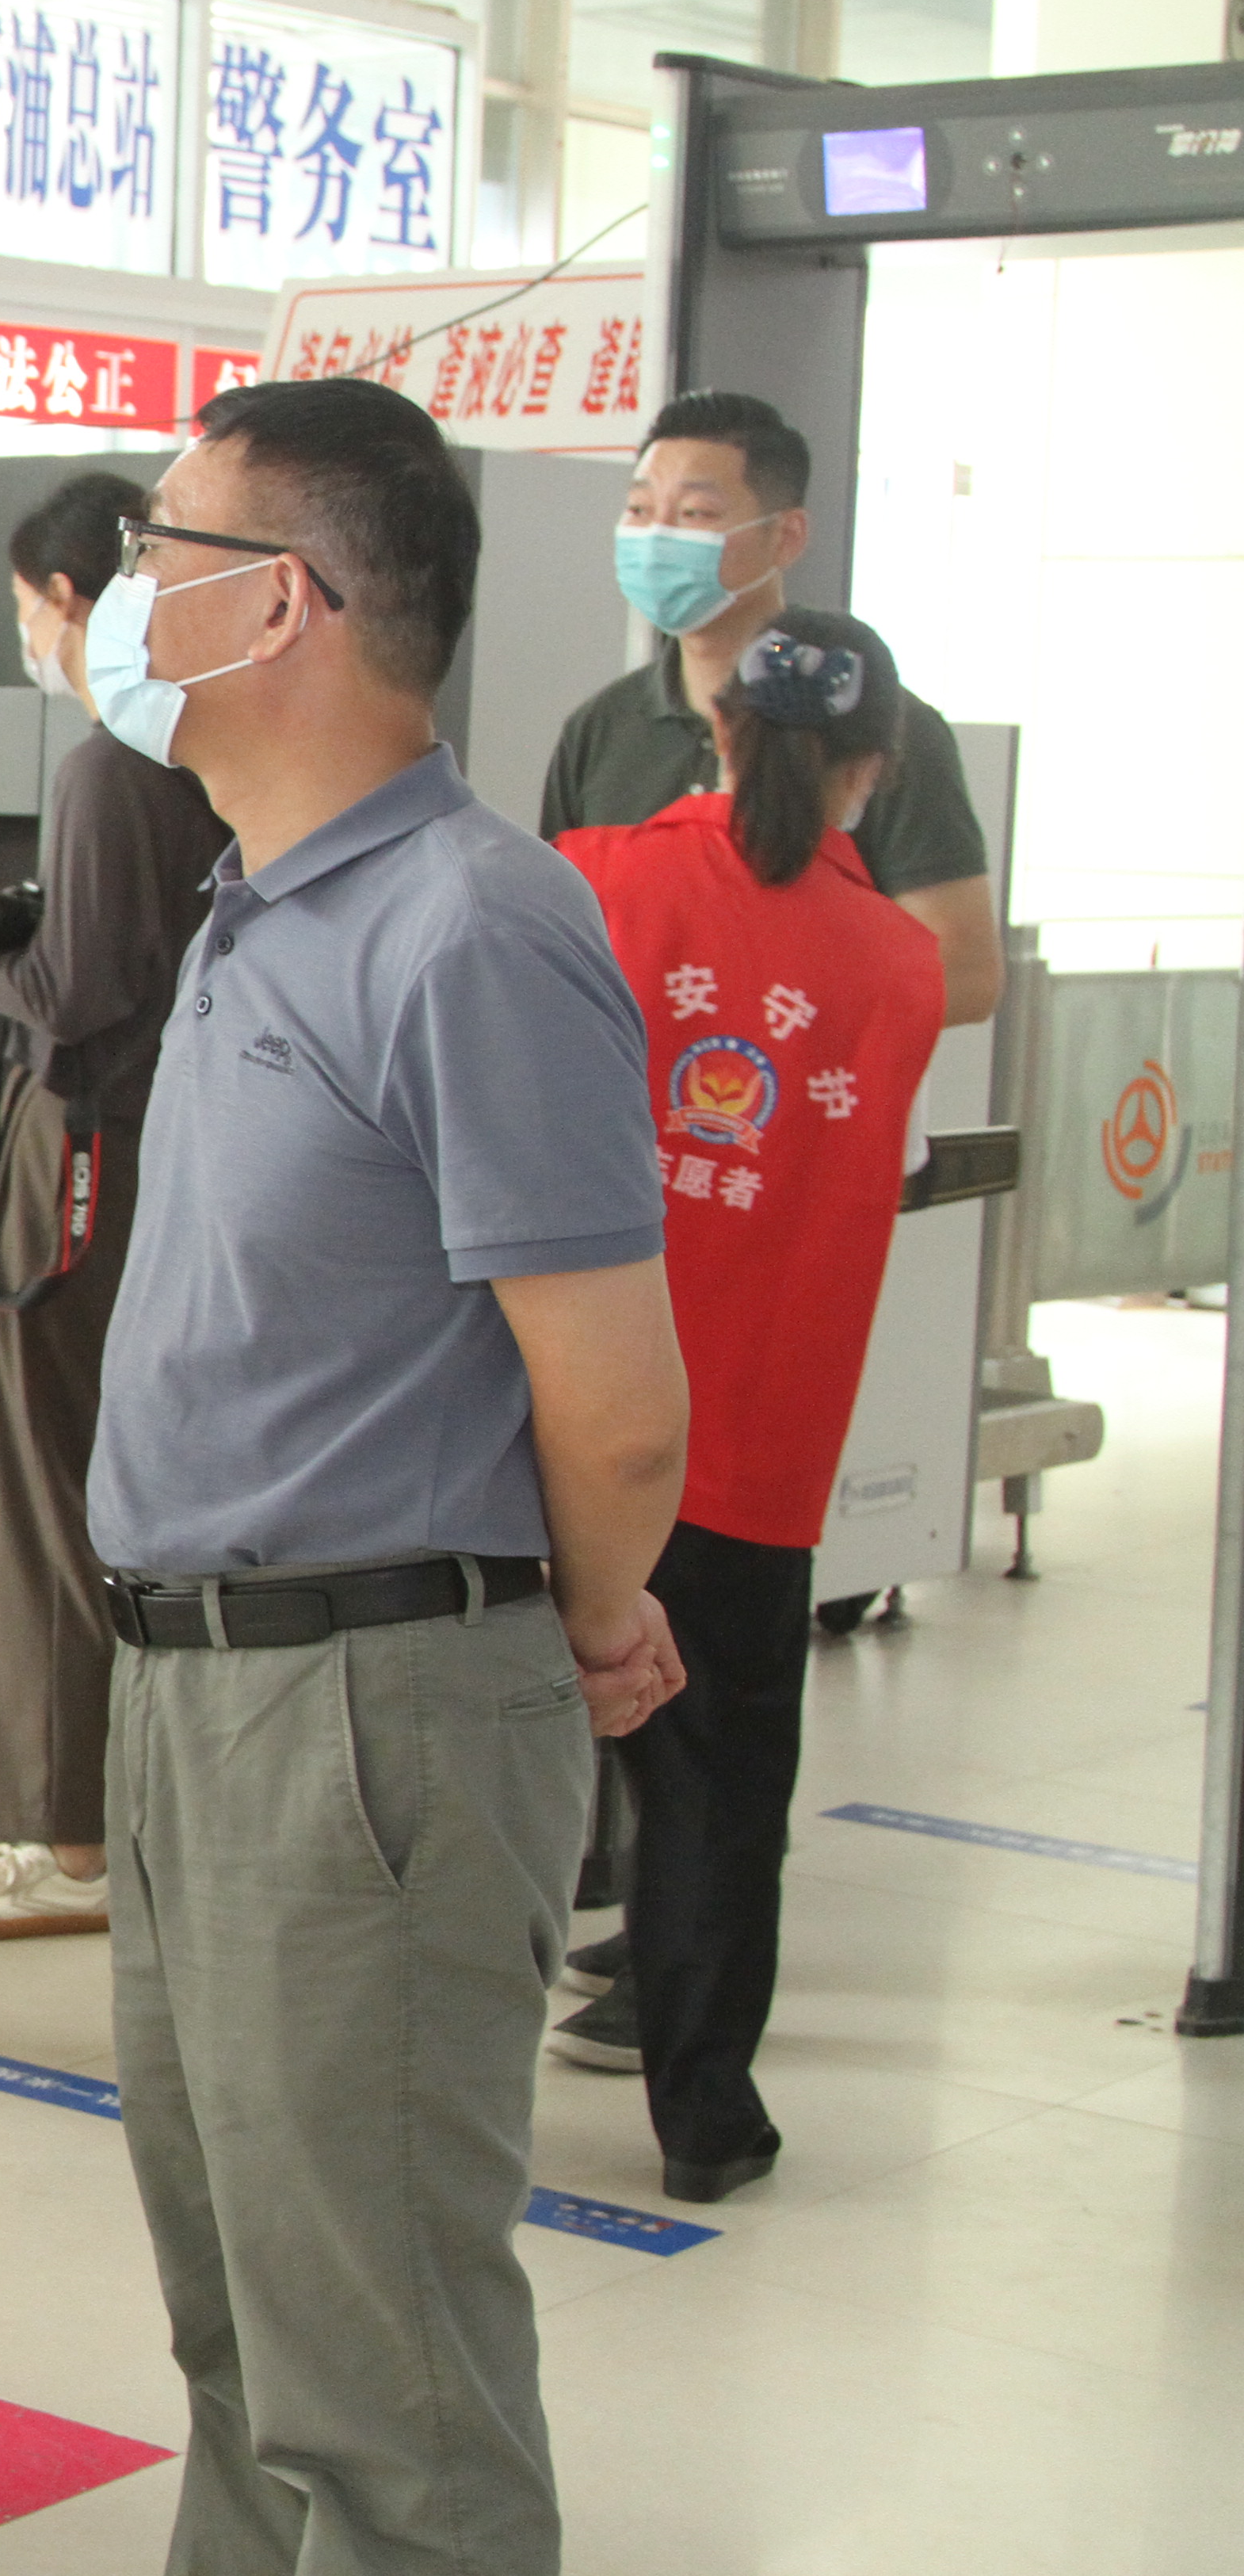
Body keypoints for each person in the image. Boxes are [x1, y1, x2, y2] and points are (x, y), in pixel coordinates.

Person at [81, 376, 689, 2576]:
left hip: (361, 1713)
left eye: (160, 553)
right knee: (247, 2335)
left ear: (286, 605)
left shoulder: (468, 922)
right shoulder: (262, 904)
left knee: (384, 2387)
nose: (124, 596)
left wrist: (587, 1614)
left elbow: (614, 1404)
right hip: (197, 1691)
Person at [546, 612, 940, 2198]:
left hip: (556, 1419)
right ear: (875, 770)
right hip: (750, 1452)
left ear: (717, 730)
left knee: (495, 1761)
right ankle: (705, 2121)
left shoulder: (593, 878)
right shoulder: (899, 966)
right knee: (716, 1796)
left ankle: (437, 2098)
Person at [0, 471, 227, 1940]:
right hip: (177, 1150)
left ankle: (60, 1835)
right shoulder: (215, 753)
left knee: (37, 1487)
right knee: (135, 1486)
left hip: (78, 1153)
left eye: (28, 611)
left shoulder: (107, 765)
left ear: (68, 600)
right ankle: (132, 1810)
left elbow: (69, 990)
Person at [541, 390, 999, 1027]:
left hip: (802, 1079)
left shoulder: (873, 719)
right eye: (640, 510)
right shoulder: (601, 729)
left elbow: (968, 974)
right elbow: (554, 942)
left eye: (696, 513)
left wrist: (763, 1009)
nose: (657, 537)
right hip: (628, 1090)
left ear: (787, 537)